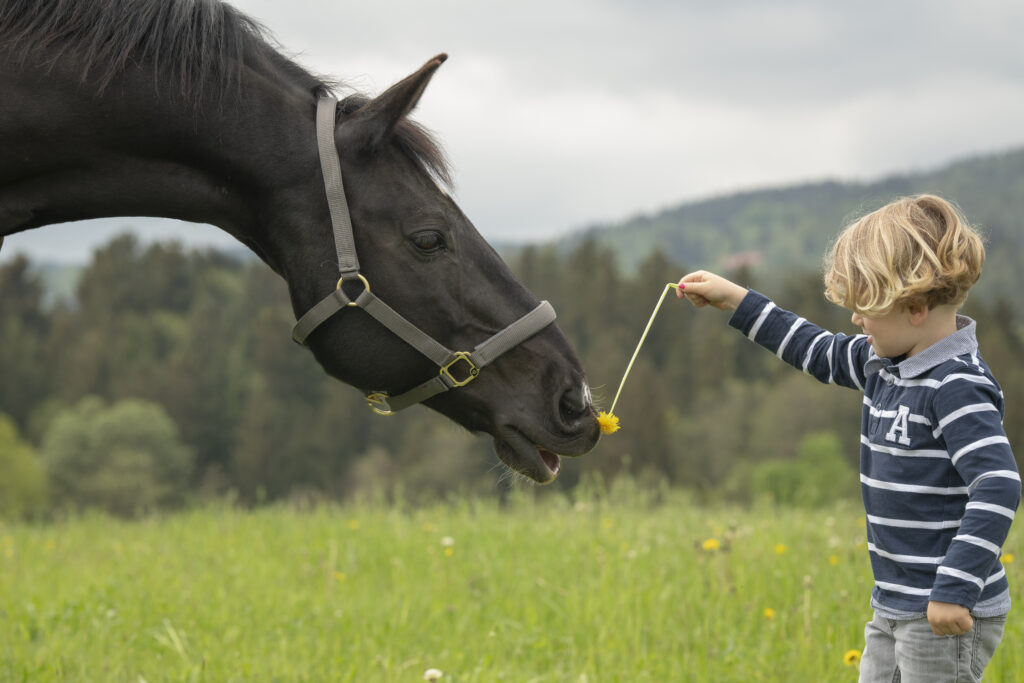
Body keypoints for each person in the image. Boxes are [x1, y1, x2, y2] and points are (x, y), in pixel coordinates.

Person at [676, 194, 1020, 682]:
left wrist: (954, 589)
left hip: (944, 613)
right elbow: (814, 348)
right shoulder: (884, 362)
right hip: (894, 601)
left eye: (866, 309)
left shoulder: (955, 385)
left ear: (916, 307)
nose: (856, 321)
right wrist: (736, 298)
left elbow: (999, 483)